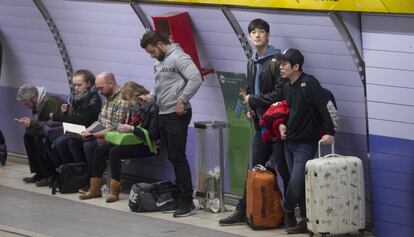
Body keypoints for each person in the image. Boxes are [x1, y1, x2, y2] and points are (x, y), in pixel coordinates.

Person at [219, 18, 290, 226]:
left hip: (278, 125)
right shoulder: (252, 61)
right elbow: (251, 89)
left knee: (284, 170)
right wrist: (251, 107)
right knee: (254, 168)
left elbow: (280, 93)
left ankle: (288, 213)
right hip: (261, 125)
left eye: (261, 32)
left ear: (268, 35)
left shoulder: (277, 60)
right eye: (253, 32)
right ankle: (244, 209)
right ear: (249, 37)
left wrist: (254, 100)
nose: (257, 35)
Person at [139, 30, 202, 218]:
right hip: (163, 112)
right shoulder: (159, 62)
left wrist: (183, 99)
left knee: (178, 156)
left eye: (152, 51)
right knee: (173, 157)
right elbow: (159, 85)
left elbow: (196, 78)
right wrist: (150, 97)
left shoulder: (178, 57)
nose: (151, 55)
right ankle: (180, 195)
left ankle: (187, 201)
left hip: (178, 113)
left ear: (160, 44)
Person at [277, 48, 335, 234]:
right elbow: (287, 113)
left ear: (296, 66)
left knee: (296, 182)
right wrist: (282, 126)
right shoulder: (286, 87)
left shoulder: (309, 83)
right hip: (289, 142)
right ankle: (304, 220)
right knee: (299, 184)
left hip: (305, 143)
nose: (281, 67)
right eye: (280, 63)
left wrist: (329, 131)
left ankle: (285, 207)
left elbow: (324, 107)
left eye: (284, 64)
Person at [79, 81, 159, 203]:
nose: (127, 104)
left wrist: (131, 128)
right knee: (100, 150)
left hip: (146, 145)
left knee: (115, 151)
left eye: (129, 100)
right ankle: (95, 188)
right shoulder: (133, 109)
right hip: (131, 141)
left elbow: (153, 135)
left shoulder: (153, 108)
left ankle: (114, 191)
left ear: (137, 96)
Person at [66, 71, 129, 191]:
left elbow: (115, 127)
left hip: (114, 136)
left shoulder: (122, 100)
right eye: (98, 88)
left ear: (111, 84)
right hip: (102, 132)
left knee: (89, 145)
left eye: (101, 88)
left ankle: (95, 181)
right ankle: (83, 177)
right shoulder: (107, 98)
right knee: (73, 142)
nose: (99, 91)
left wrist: (93, 134)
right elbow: (98, 122)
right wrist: (85, 132)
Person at [51, 69, 102, 167]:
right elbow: (61, 116)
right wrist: (63, 112)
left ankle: (79, 173)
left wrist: (63, 114)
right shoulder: (74, 97)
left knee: (64, 143)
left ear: (88, 84)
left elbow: (83, 119)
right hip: (74, 130)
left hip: (86, 130)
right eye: (74, 85)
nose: (76, 88)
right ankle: (68, 173)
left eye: (79, 85)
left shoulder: (94, 98)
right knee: (55, 142)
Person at [16, 84, 64, 185]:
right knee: (28, 135)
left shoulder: (51, 102)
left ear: (33, 98)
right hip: (48, 129)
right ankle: (40, 172)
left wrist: (32, 123)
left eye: (27, 104)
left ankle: (48, 174)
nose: (27, 106)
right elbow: (42, 122)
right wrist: (29, 124)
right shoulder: (38, 102)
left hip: (59, 130)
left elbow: (55, 124)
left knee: (38, 139)